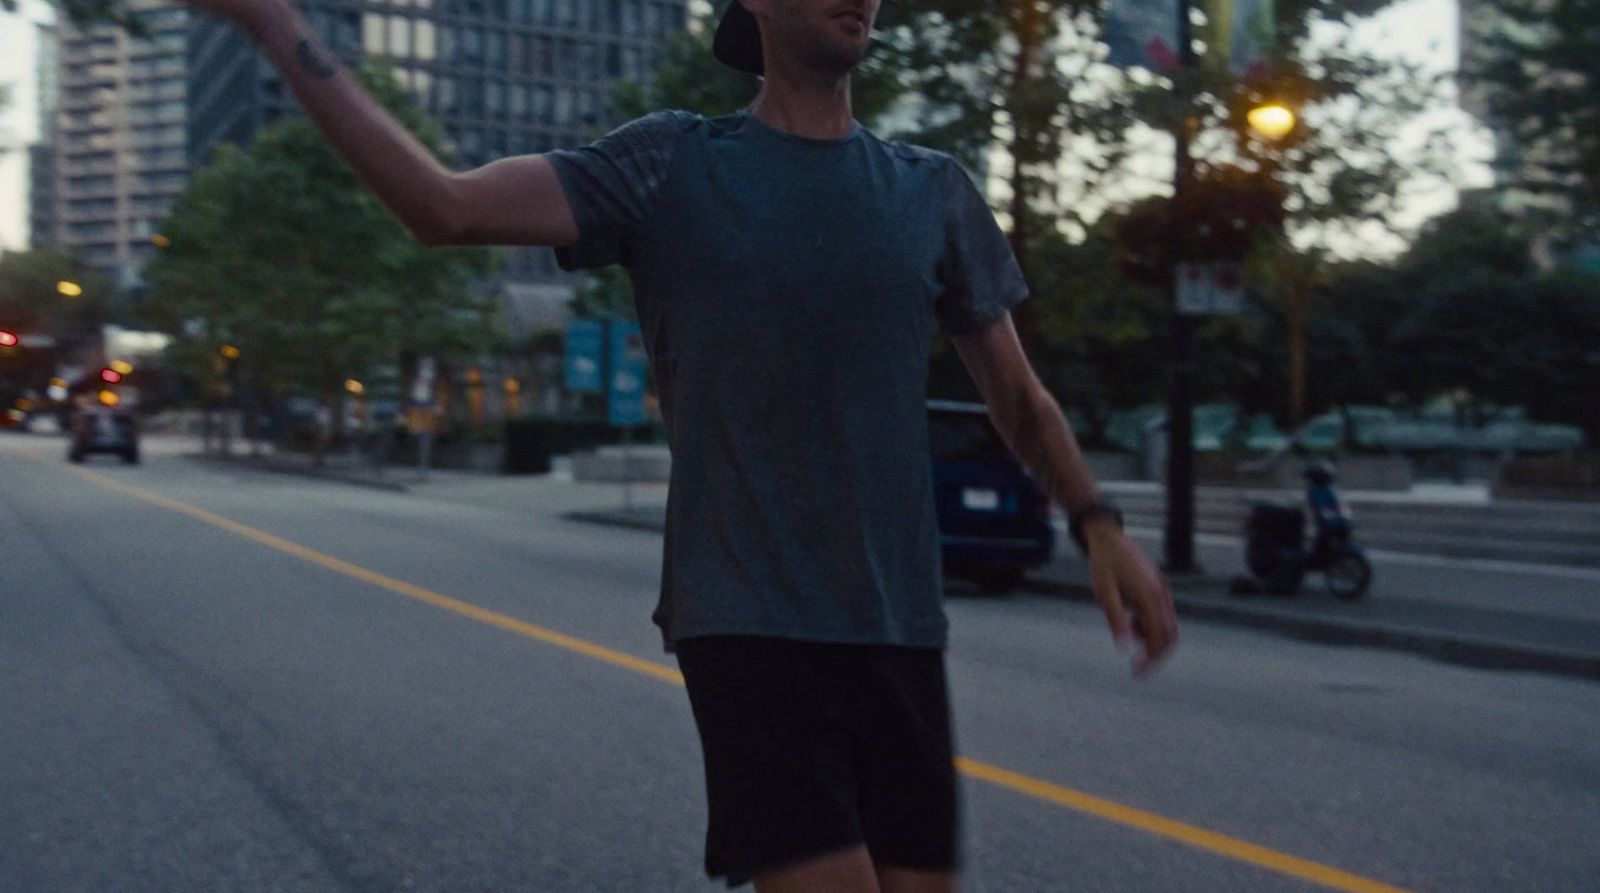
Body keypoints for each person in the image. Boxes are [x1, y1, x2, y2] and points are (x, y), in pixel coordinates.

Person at [176, 0, 1179, 889]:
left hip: (898, 623)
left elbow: (1019, 397)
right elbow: (443, 205)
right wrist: (278, 24)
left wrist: (1097, 524)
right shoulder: (669, 164)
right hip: (747, 617)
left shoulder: (931, 190)